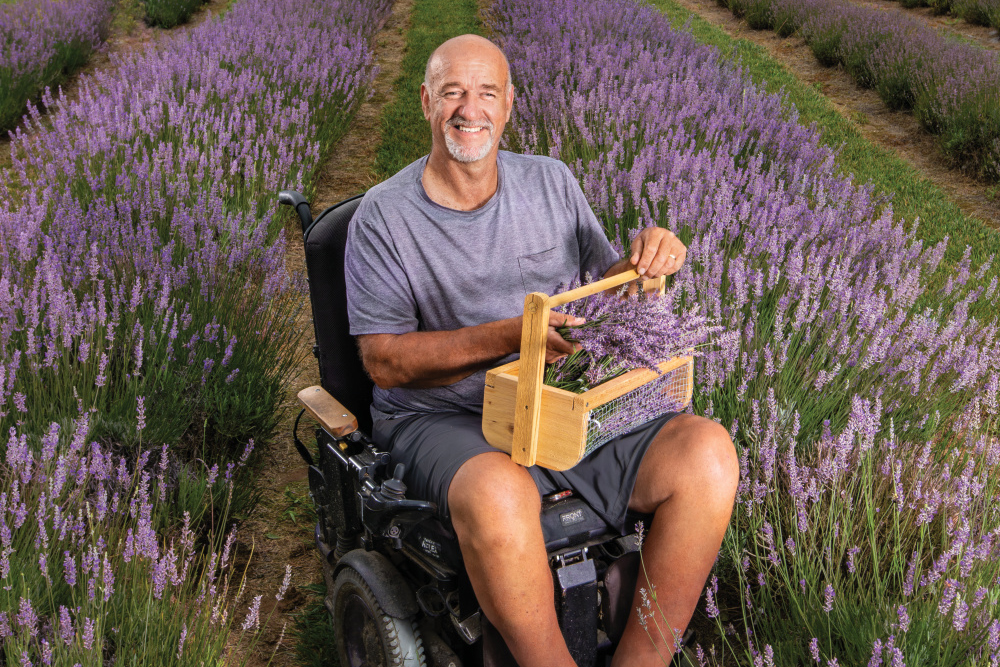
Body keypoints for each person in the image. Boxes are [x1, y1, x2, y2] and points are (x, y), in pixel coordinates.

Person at [345, 34, 739, 667]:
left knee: (708, 456)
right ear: (425, 102)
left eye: (486, 94)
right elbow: (386, 361)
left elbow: (602, 292)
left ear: (508, 107)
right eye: (451, 92)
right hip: (445, 418)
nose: (468, 110)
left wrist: (644, 267)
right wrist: (512, 335)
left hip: (560, 403)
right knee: (500, 496)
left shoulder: (550, 182)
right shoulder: (383, 218)